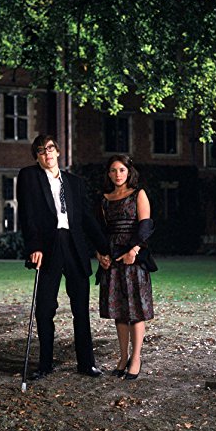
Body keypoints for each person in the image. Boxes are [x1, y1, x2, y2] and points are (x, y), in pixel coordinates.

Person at [17, 134, 110, 380]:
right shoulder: (29, 177)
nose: (46, 153)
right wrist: (34, 246)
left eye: (50, 148)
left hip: (75, 246)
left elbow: (86, 219)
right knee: (44, 308)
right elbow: (27, 215)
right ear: (37, 157)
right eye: (41, 151)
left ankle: (86, 363)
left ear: (57, 151)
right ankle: (45, 364)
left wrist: (104, 248)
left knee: (80, 307)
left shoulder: (74, 182)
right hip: (48, 246)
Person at [95, 154, 155, 380]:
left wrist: (134, 251)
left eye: (121, 170)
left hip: (133, 256)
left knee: (135, 310)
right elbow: (100, 231)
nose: (117, 174)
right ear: (108, 174)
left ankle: (136, 358)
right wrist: (99, 254)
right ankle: (123, 357)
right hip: (112, 257)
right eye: (113, 170)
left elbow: (145, 226)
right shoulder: (104, 199)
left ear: (129, 172)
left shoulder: (138, 194)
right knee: (119, 311)